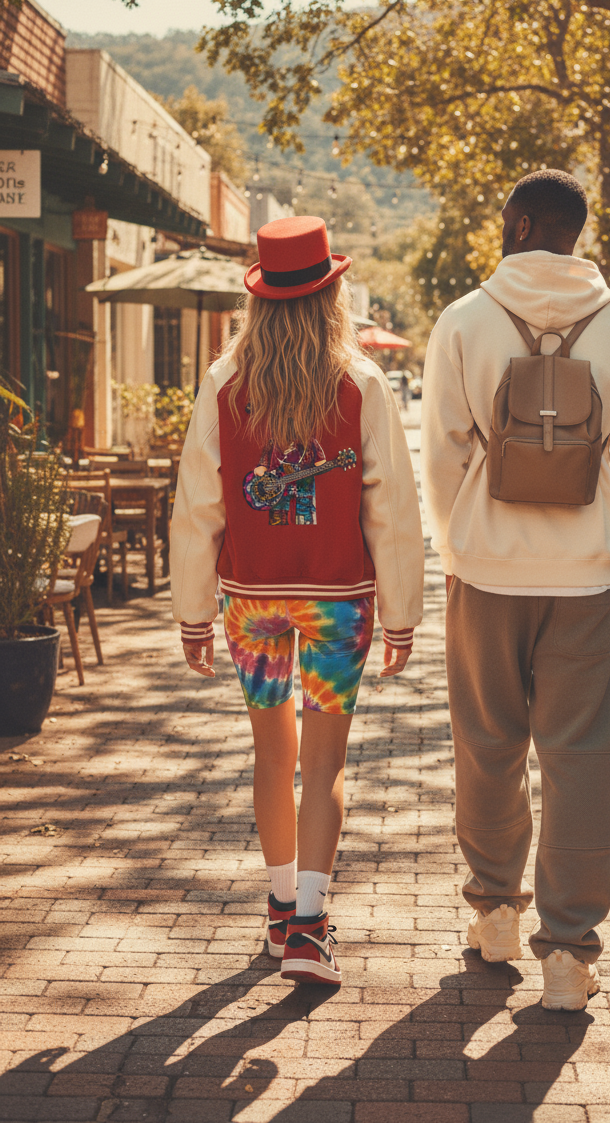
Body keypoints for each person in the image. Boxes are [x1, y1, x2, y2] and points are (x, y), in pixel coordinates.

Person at [421, 170, 610, 1011]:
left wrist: (454, 546)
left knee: (487, 743)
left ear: (519, 221)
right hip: (588, 577)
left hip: (486, 571)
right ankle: (567, 952)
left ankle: (494, 910)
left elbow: (444, 451)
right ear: (574, 231)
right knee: (581, 760)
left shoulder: (464, 320)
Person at [170, 216, 424, 985]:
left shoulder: (223, 382)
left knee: (271, 757)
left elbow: (197, 508)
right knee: (326, 761)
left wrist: (192, 612)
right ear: (332, 292)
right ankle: (311, 928)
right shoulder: (361, 382)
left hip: (253, 602)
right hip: (338, 601)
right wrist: (404, 614)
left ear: (260, 299)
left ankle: (280, 910)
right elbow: (392, 510)